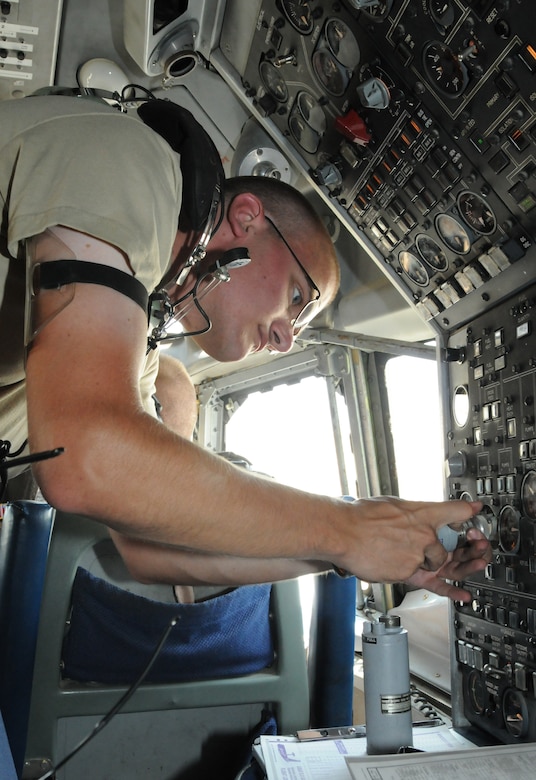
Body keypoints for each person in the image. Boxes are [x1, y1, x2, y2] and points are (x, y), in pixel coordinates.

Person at [0, 93, 491, 599]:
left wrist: (354, 551)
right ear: (248, 218)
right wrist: (349, 527)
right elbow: (84, 457)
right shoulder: (132, 165)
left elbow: (145, 551)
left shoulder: (141, 339)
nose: (283, 339)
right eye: (296, 298)